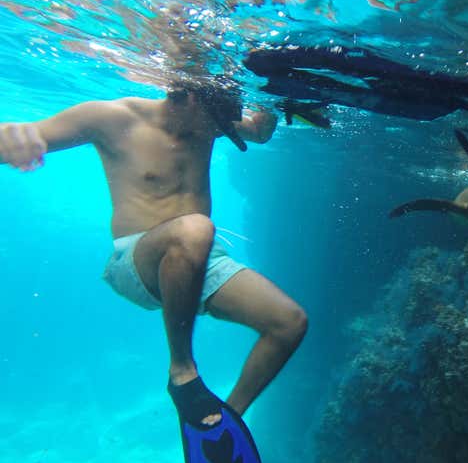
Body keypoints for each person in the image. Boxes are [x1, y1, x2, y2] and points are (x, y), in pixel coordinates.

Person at [0, 79, 308, 432]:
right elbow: (28, 134)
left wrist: (277, 98)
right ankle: (182, 370)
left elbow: (259, 132)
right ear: (188, 98)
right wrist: (13, 137)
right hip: (136, 260)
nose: (217, 131)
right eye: (214, 123)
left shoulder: (210, 116)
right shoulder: (112, 117)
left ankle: (226, 422)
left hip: (201, 256)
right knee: (195, 228)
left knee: (289, 323)